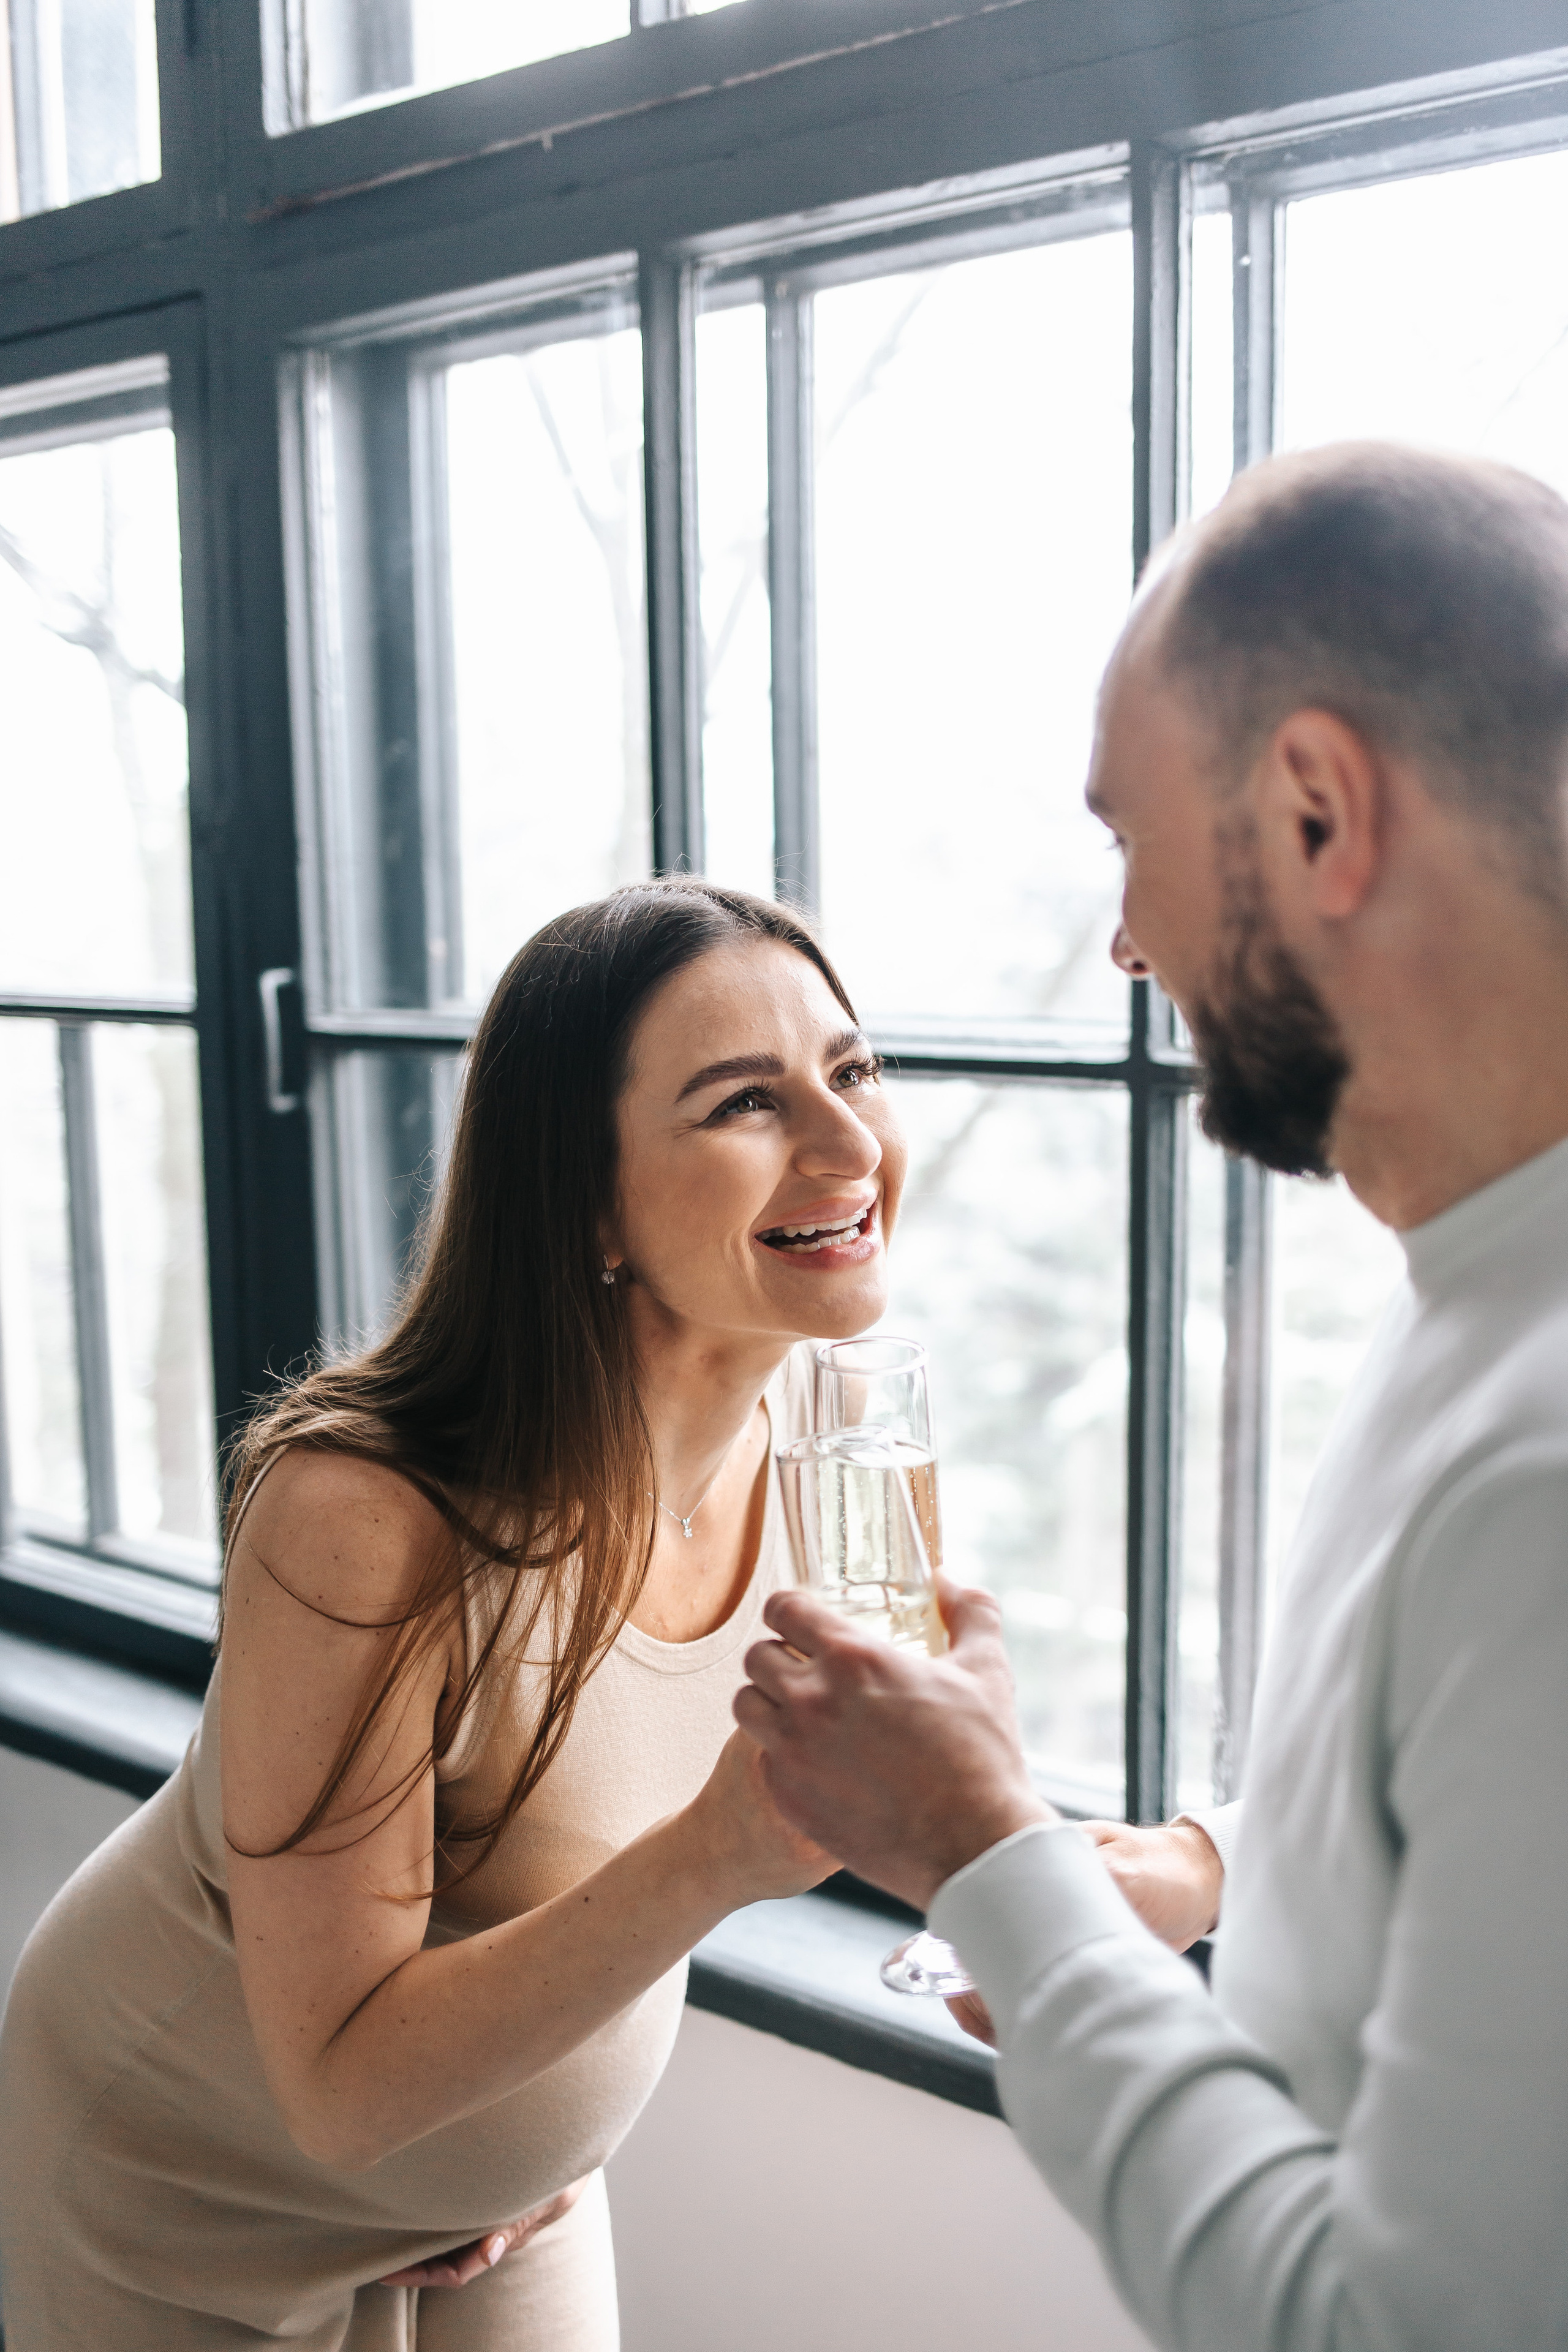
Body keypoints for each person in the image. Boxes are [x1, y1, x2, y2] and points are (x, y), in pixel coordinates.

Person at [737, 442, 1568, 2349]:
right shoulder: (1478, 1277)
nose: (1126, 944)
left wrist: (989, 1864)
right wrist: (1215, 1867)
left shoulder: (1546, 1464)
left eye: (1132, 843)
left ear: (1314, 811)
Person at [0, 878, 914, 2350]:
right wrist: (715, 1859)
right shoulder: (366, 1516)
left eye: (852, 1069)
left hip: (510, 2191)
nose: (852, 1144)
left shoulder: (842, 1432)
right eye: (746, 1100)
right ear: (587, 1198)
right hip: (183, 2197)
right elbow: (343, 2084)